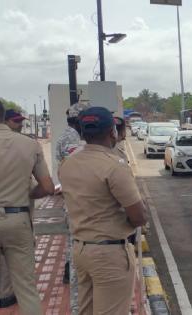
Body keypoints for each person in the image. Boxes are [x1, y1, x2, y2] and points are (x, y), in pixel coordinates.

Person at [59, 107, 147, 314]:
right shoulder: (114, 166)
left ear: (81, 133)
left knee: (86, 310)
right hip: (109, 254)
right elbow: (139, 217)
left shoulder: (67, 164)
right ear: (112, 132)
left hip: (81, 249)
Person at [0, 95, 54, 314]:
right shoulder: (29, 144)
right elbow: (48, 187)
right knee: (27, 288)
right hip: (19, 219)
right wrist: (27, 194)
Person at [55, 102, 89, 314]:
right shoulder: (71, 138)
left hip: (76, 198)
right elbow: (77, 169)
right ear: (79, 120)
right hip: (78, 199)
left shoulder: (71, 136)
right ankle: (77, 298)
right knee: (76, 242)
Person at [0, 110, 29, 309]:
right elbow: (43, 186)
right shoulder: (25, 146)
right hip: (15, 212)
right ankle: (7, 294)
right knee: (15, 260)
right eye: (16, 122)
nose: (19, 125)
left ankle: (4, 293)